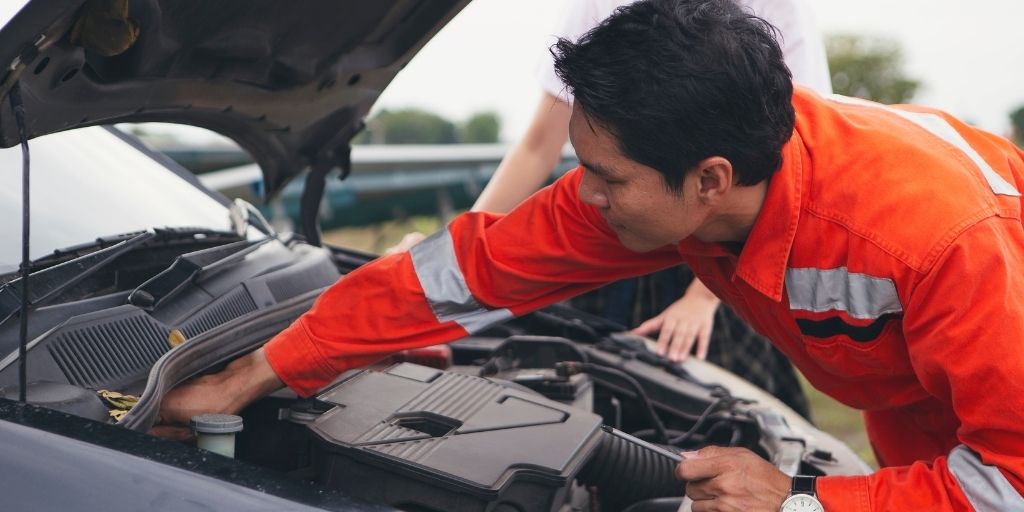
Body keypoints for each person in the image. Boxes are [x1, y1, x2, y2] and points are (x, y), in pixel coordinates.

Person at [160, 0, 1024, 509]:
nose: (586, 194)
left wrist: (798, 500)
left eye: (605, 176)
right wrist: (253, 377)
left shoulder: (935, 243)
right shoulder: (668, 176)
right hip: (920, 405)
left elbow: (1012, 481)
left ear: (709, 181)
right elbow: (452, 277)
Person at [389, 0, 832, 418]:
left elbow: (775, 148)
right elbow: (538, 145)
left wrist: (703, 300)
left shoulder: (776, 9)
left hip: (711, 251)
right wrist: (449, 255)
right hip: (617, 220)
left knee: (717, 408)